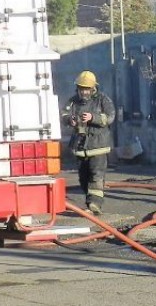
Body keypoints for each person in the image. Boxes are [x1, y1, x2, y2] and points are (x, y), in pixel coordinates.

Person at [61, 70, 116, 215]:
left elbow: (110, 117)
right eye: (81, 89)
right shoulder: (73, 101)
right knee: (83, 177)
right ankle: (90, 202)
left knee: (96, 175)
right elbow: (63, 114)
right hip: (80, 146)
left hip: (98, 146)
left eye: (86, 89)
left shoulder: (103, 100)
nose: (84, 92)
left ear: (93, 88)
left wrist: (93, 117)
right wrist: (69, 119)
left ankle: (94, 205)